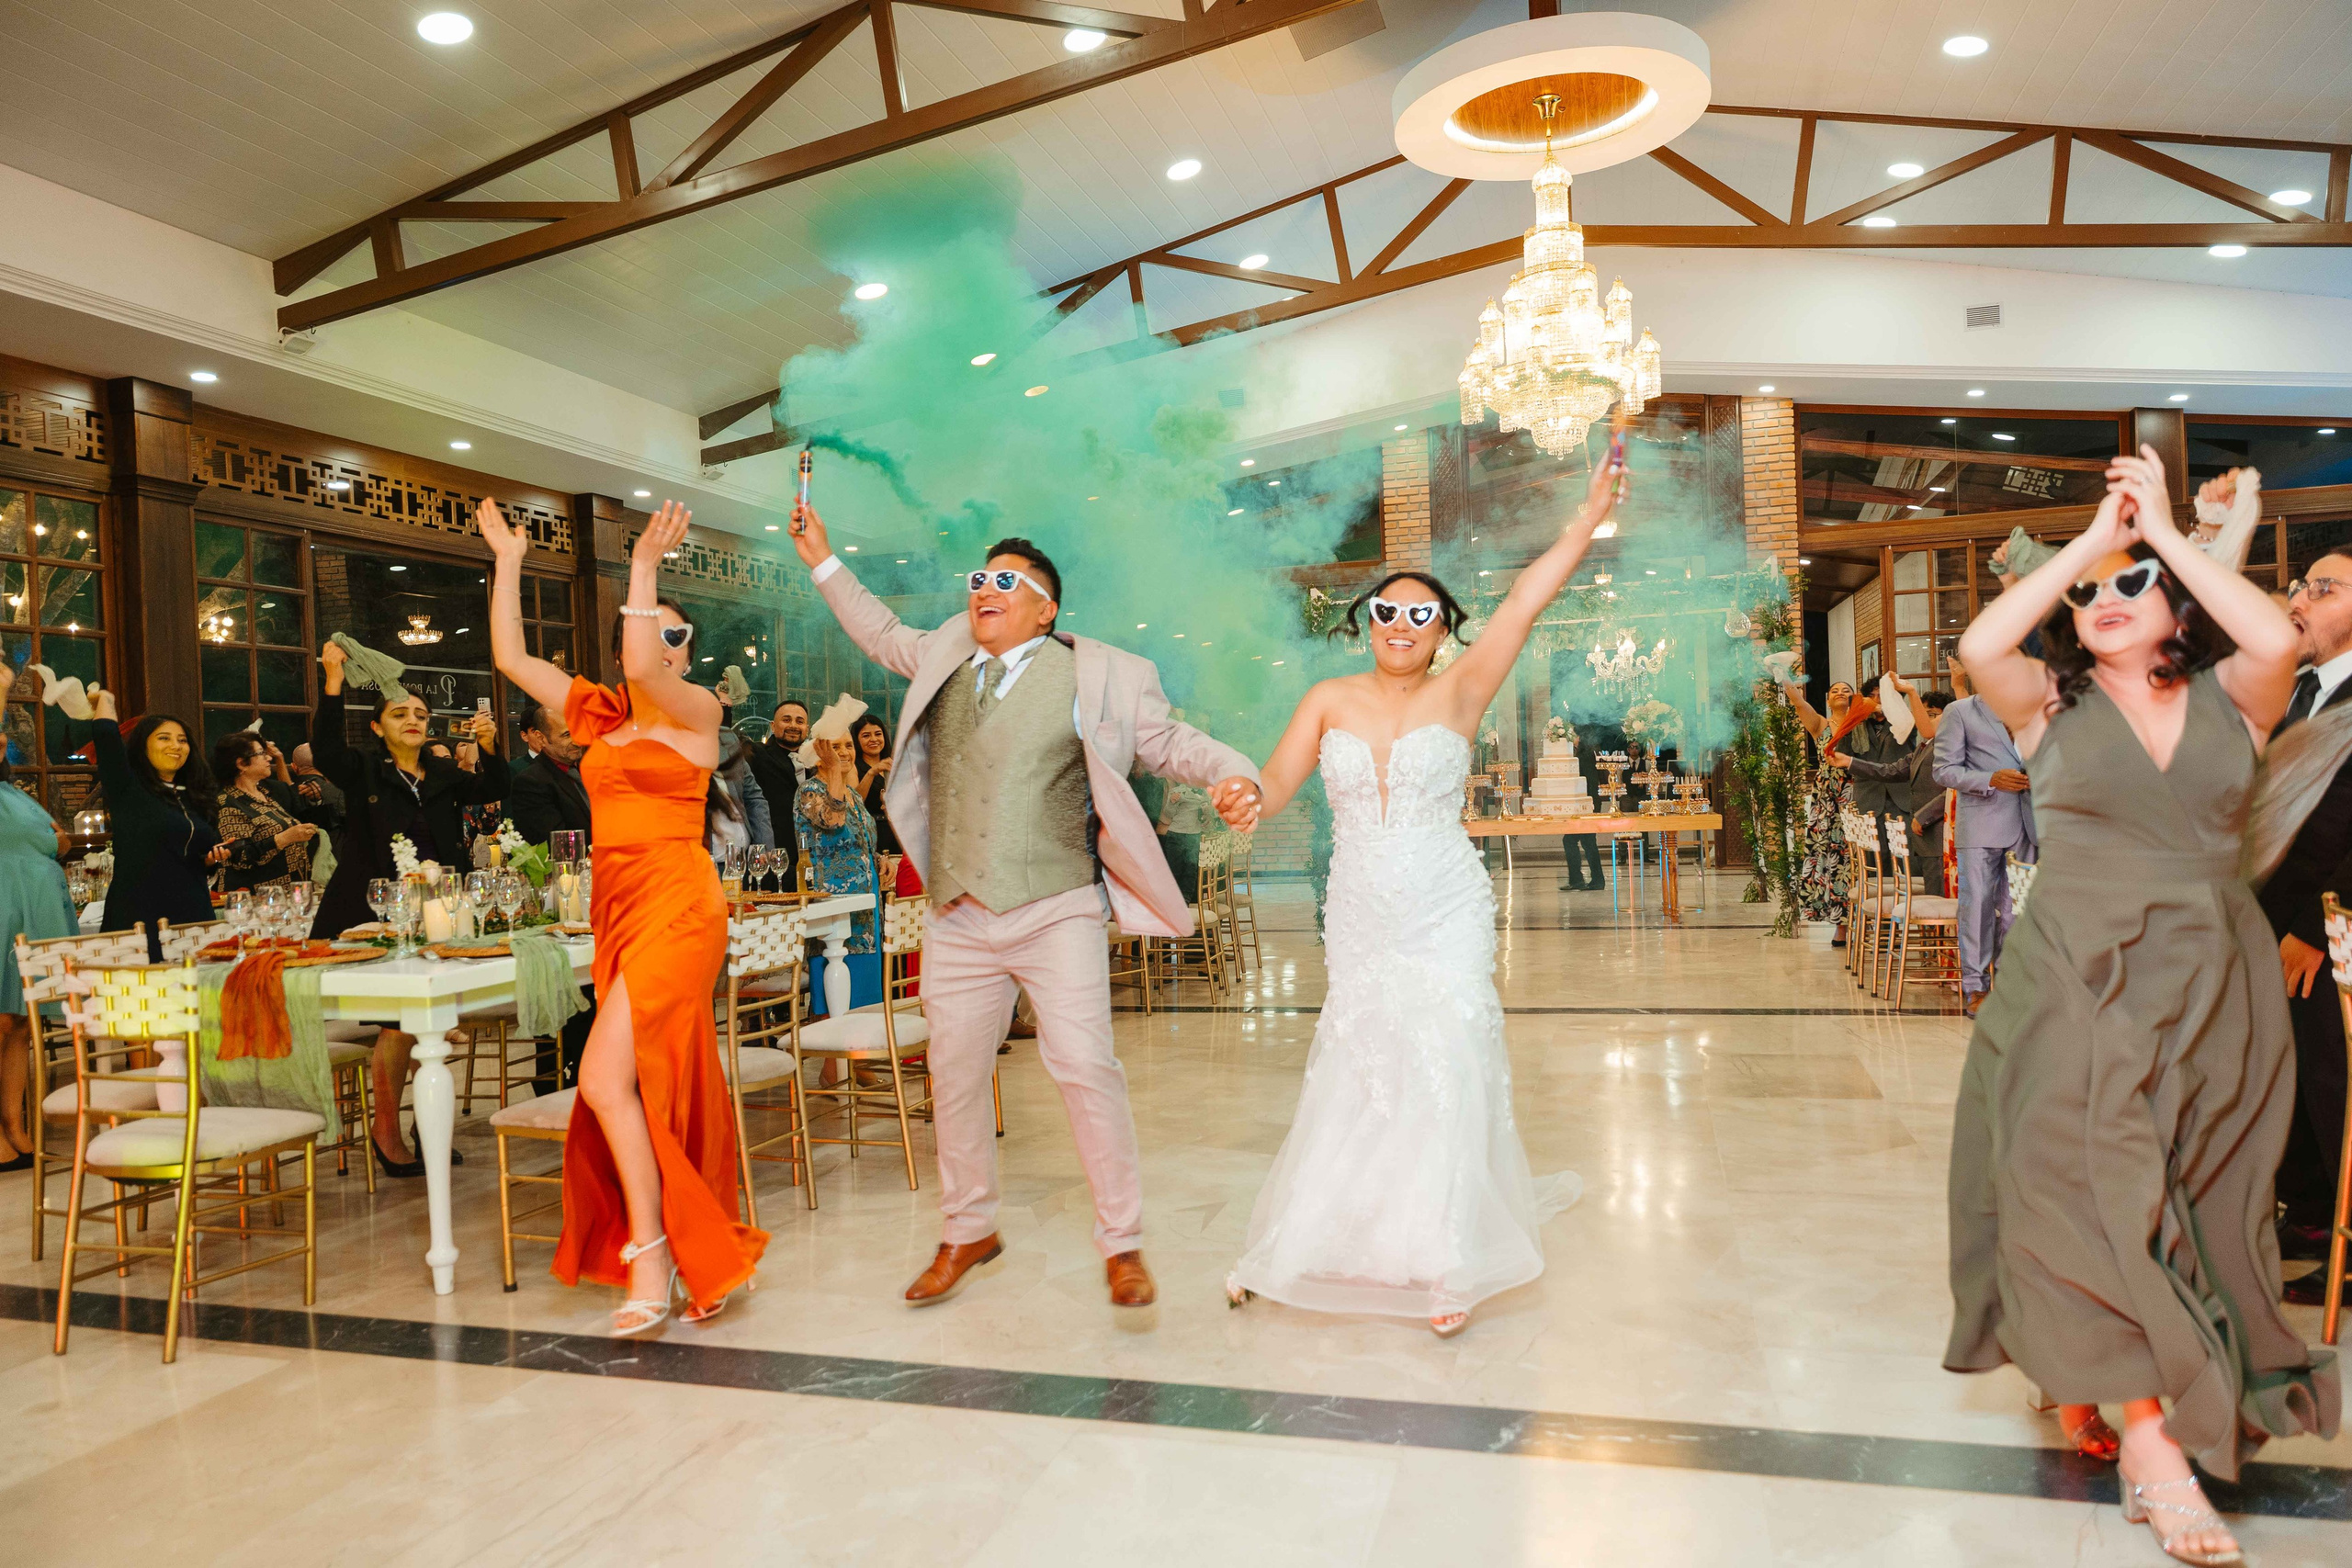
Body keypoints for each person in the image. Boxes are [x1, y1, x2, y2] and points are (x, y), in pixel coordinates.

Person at [1946, 447, 2337, 1564]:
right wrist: (2086, 546)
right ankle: (2152, 1444)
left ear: (2176, 599)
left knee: (2200, 1207)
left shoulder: (2237, 693)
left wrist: (2165, 534)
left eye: (2132, 586)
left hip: (2214, 981)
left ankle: (2123, 1387)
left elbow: (2272, 634)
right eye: (2085, 597)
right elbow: (1982, 644)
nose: (2103, 603)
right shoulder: (2040, 707)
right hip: (2074, 976)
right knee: (2084, 1183)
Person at [790, 502, 1260, 1311]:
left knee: (1086, 1067)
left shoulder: (1102, 673)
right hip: (958, 913)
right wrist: (824, 557)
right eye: (979, 578)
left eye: (1005, 581)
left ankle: (1122, 1243)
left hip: (1056, 906)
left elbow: (1168, 741)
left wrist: (1229, 771)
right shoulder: (942, 651)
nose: (984, 590)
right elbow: (877, 629)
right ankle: (967, 1228)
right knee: (955, 1072)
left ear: (1045, 605)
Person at [1227, 447, 1623, 1337]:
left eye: (1421, 613)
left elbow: (1526, 599)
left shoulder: (1463, 689)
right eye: (1386, 610)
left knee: (1445, 1055)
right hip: (1360, 906)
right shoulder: (1327, 698)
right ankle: (1304, 1239)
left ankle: (1448, 1258)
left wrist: (1585, 517)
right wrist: (1244, 796)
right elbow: (1277, 781)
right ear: (1366, 620)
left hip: (1444, 904)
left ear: (1444, 628)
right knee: (1359, 1061)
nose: (1401, 623)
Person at [481, 496, 764, 1337]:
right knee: (634, 1081)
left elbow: (645, 671)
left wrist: (644, 565)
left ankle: (653, 1249)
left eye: (681, 637)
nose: (669, 647)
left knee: (604, 1078)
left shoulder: (699, 715)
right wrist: (507, 560)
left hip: (680, 900)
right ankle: (673, 1242)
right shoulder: (598, 717)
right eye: (657, 631)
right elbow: (508, 654)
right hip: (617, 903)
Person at [310, 647, 509, 1176]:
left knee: (434, 1019)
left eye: (421, 714)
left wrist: (488, 745)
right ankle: (387, 1131)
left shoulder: (442, 776)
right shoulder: (364, 773)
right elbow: (327, 748)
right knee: (399, 1025)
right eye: (400, 714)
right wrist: (334, 679)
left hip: (435, 912)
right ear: (377, 728)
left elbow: (495, 787)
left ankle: (428, 1120)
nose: (414, 720)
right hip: (369, 913)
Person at [2259, 547, 2352, 1299]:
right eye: (2302, 585)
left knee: (2336, 1079)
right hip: (2277, 917)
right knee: (2295, 1074)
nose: (2303, 598)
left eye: (2326, 587)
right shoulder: (2301, 692)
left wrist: (2315, 930)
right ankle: (2316, 1211)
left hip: (2330, 928)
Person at [76, 698, 227, 960]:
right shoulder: (129, 789)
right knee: (143, 994)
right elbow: (106, 737)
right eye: (164, 738)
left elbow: (194, 853)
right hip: (140, 912)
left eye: (182, 740)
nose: (175, 746)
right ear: (143, 745)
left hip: (193, 910)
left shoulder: (195, 795)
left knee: (198, 992)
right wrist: (106, 699)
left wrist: (211, 859)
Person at [0, 662, 76, 1170]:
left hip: (36, 913)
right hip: (5, 913)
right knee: (2, 1025)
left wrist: (57, 839)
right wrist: (5, 685)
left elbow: (60, 840)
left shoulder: (13, 794)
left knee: (21, 1027)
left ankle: (16, 1125)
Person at [1932, 664, 2036, 1016]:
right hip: (1982, 824)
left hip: (2030, 824)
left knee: (2017, 911)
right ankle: (1976, 988)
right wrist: (1990, 778)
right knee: (1976, 910)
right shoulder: (1960, 711)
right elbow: (1943, 769)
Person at [794, 697, 884, 1013]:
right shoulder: (811, 791)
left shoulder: (852, 795)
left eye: (848, 745)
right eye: (835, 747)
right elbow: (832, 820)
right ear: (820, 754)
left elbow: (861, 840)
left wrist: (879, 861)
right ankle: (835, 1063)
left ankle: (860, 1063)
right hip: (833, 912)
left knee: (864, 1004)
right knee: (835, 1005)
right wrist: (833, 771)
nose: (844, 753)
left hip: (866, 907)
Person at [1780, 680, 1870, 937]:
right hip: (1827, 799)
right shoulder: (1820, 724)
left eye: (1847, 691)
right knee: (1832, 860)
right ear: (1828, 700)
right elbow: (1799, 703)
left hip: (1857, 796)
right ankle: (1840, 926)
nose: (1841, 694)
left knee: (1856, 859)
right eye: (1835, 691)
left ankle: (1866, 921)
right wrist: (1787, 683)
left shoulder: (1863, 725)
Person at [211, 732, 326, 891]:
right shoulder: (227, 803)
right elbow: (239, 856)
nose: (269, 758)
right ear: (241, 764)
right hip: (258, 897)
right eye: (261, 754)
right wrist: (284, 838)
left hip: (290, 891)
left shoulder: (266, 792)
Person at [505, 700, 594, 851]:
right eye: (566, 734)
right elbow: (555, 844)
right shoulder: (531, 781)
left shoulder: (590, 770)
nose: (577, 741)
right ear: (541, 738)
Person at [748, 700, 809, 886]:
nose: (793, 726)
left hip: (812, 857)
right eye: (786, 720)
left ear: (807, 728)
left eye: (800, 721)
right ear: (773, 726)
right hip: (775, 857)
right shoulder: (757, 754)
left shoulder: (817, 761)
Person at [850, 712, 901, 857]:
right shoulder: (853, 767)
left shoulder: (894, 764)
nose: (873, 739)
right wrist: (872, 772)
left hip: (898, 832)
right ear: (857, 740)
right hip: (870, 834)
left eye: (878, 734)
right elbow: (854, 803)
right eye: (866, 736)